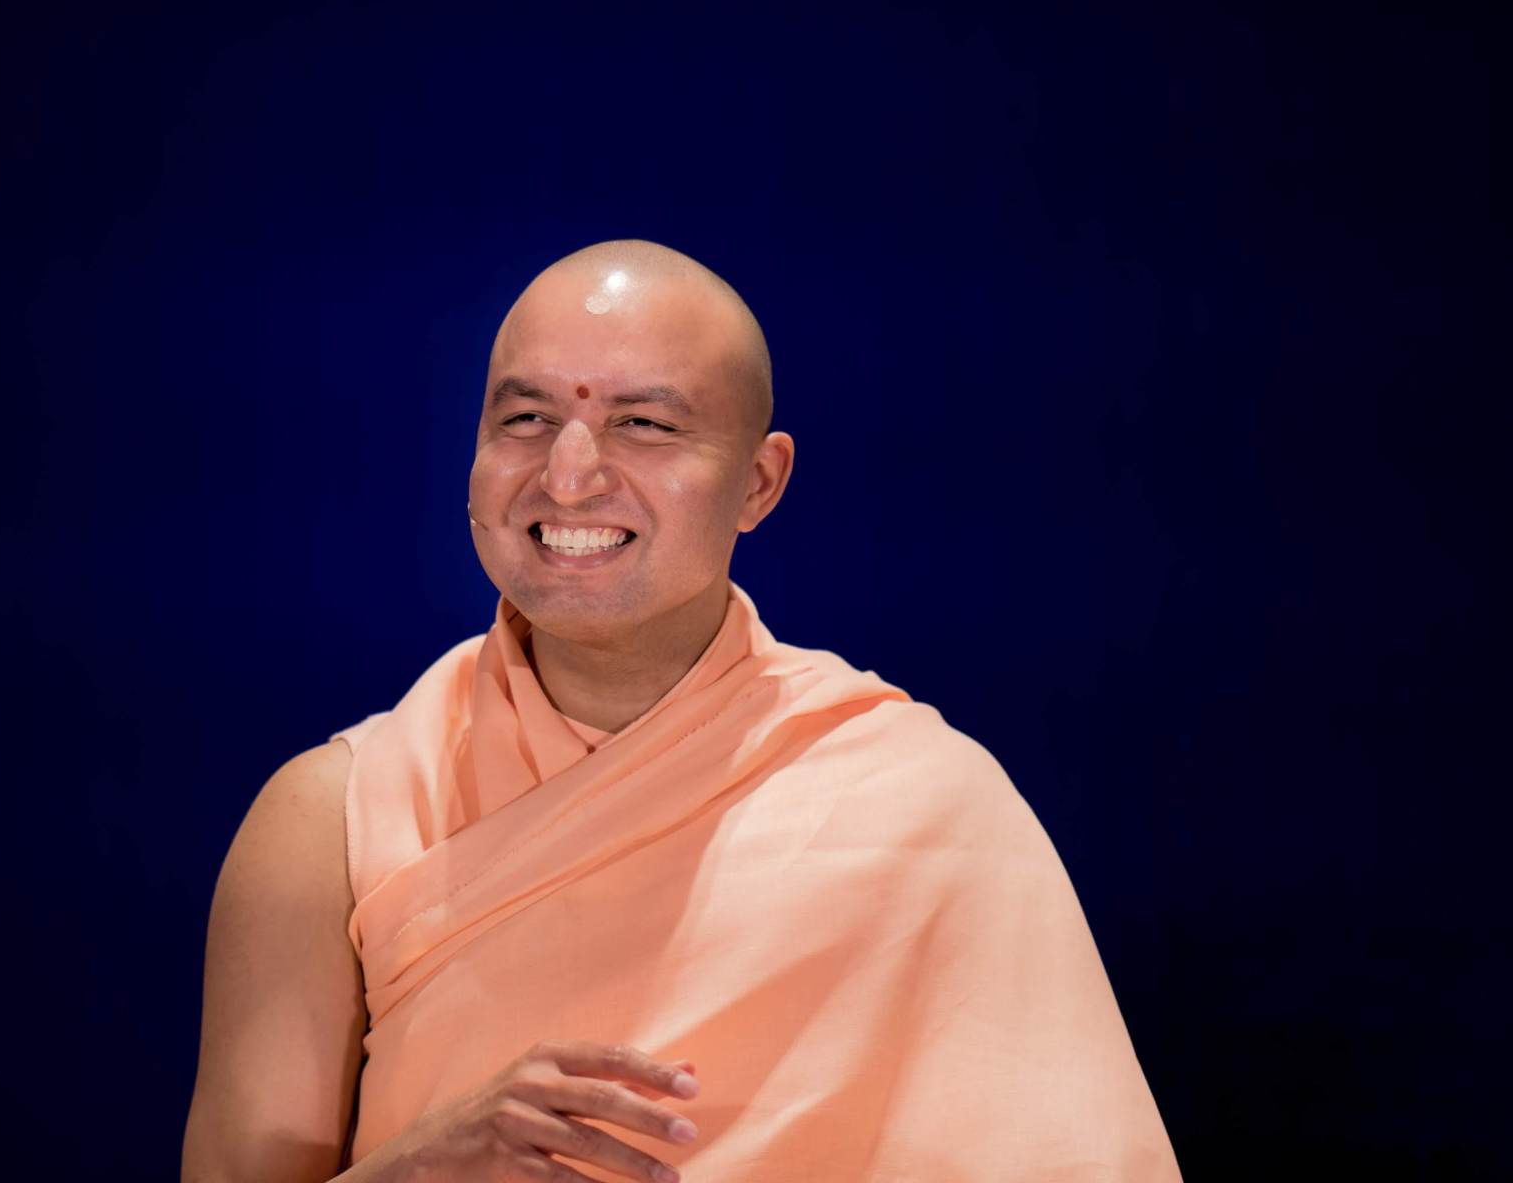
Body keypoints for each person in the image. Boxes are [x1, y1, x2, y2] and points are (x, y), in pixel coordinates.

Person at [182, 240, 1181, 1182]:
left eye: (644, 425)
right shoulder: (331, 823)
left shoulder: (930, 810)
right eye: (524, 420)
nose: (568, 474)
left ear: (759, 482)